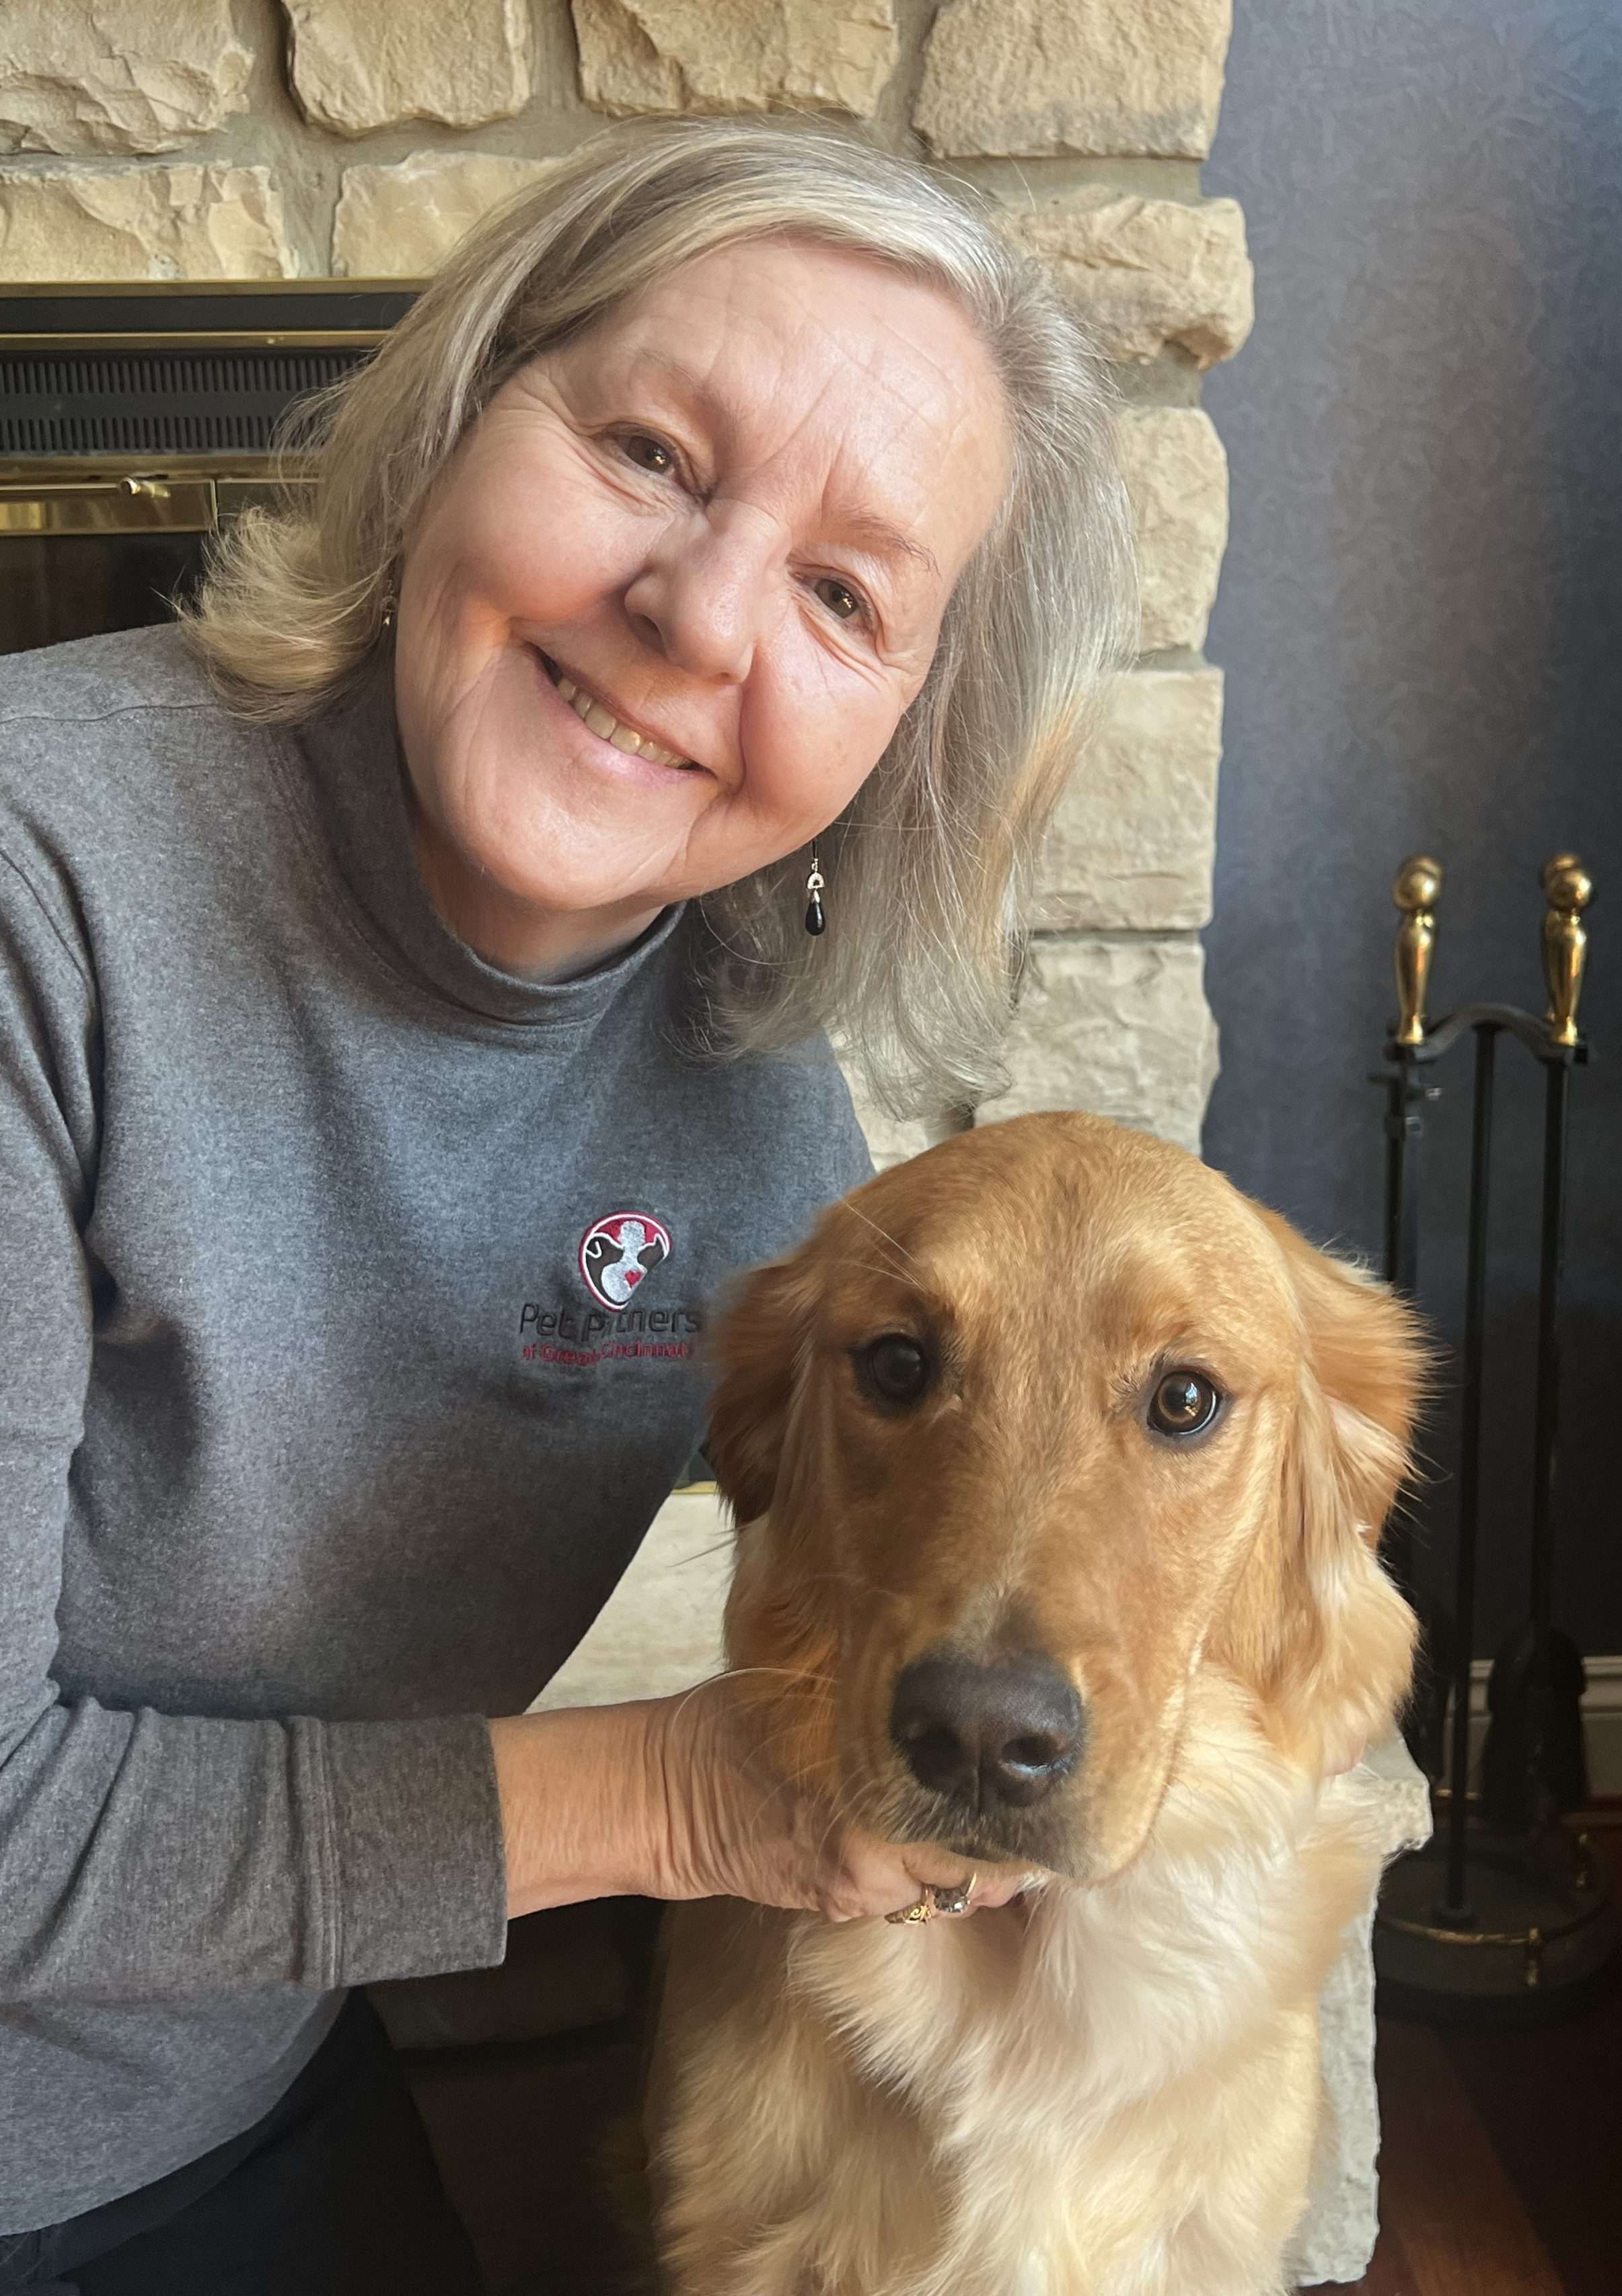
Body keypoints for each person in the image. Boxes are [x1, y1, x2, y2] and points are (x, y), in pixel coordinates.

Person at [0, 120, 1135, 2291]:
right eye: (647, 451)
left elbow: (936, 1613)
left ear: (907, 732)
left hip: (231, 2084)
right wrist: (677, 1800)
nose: (698, 613)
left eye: (841, 594)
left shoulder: (758, 1117)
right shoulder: (37, 890)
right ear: (456, 420)